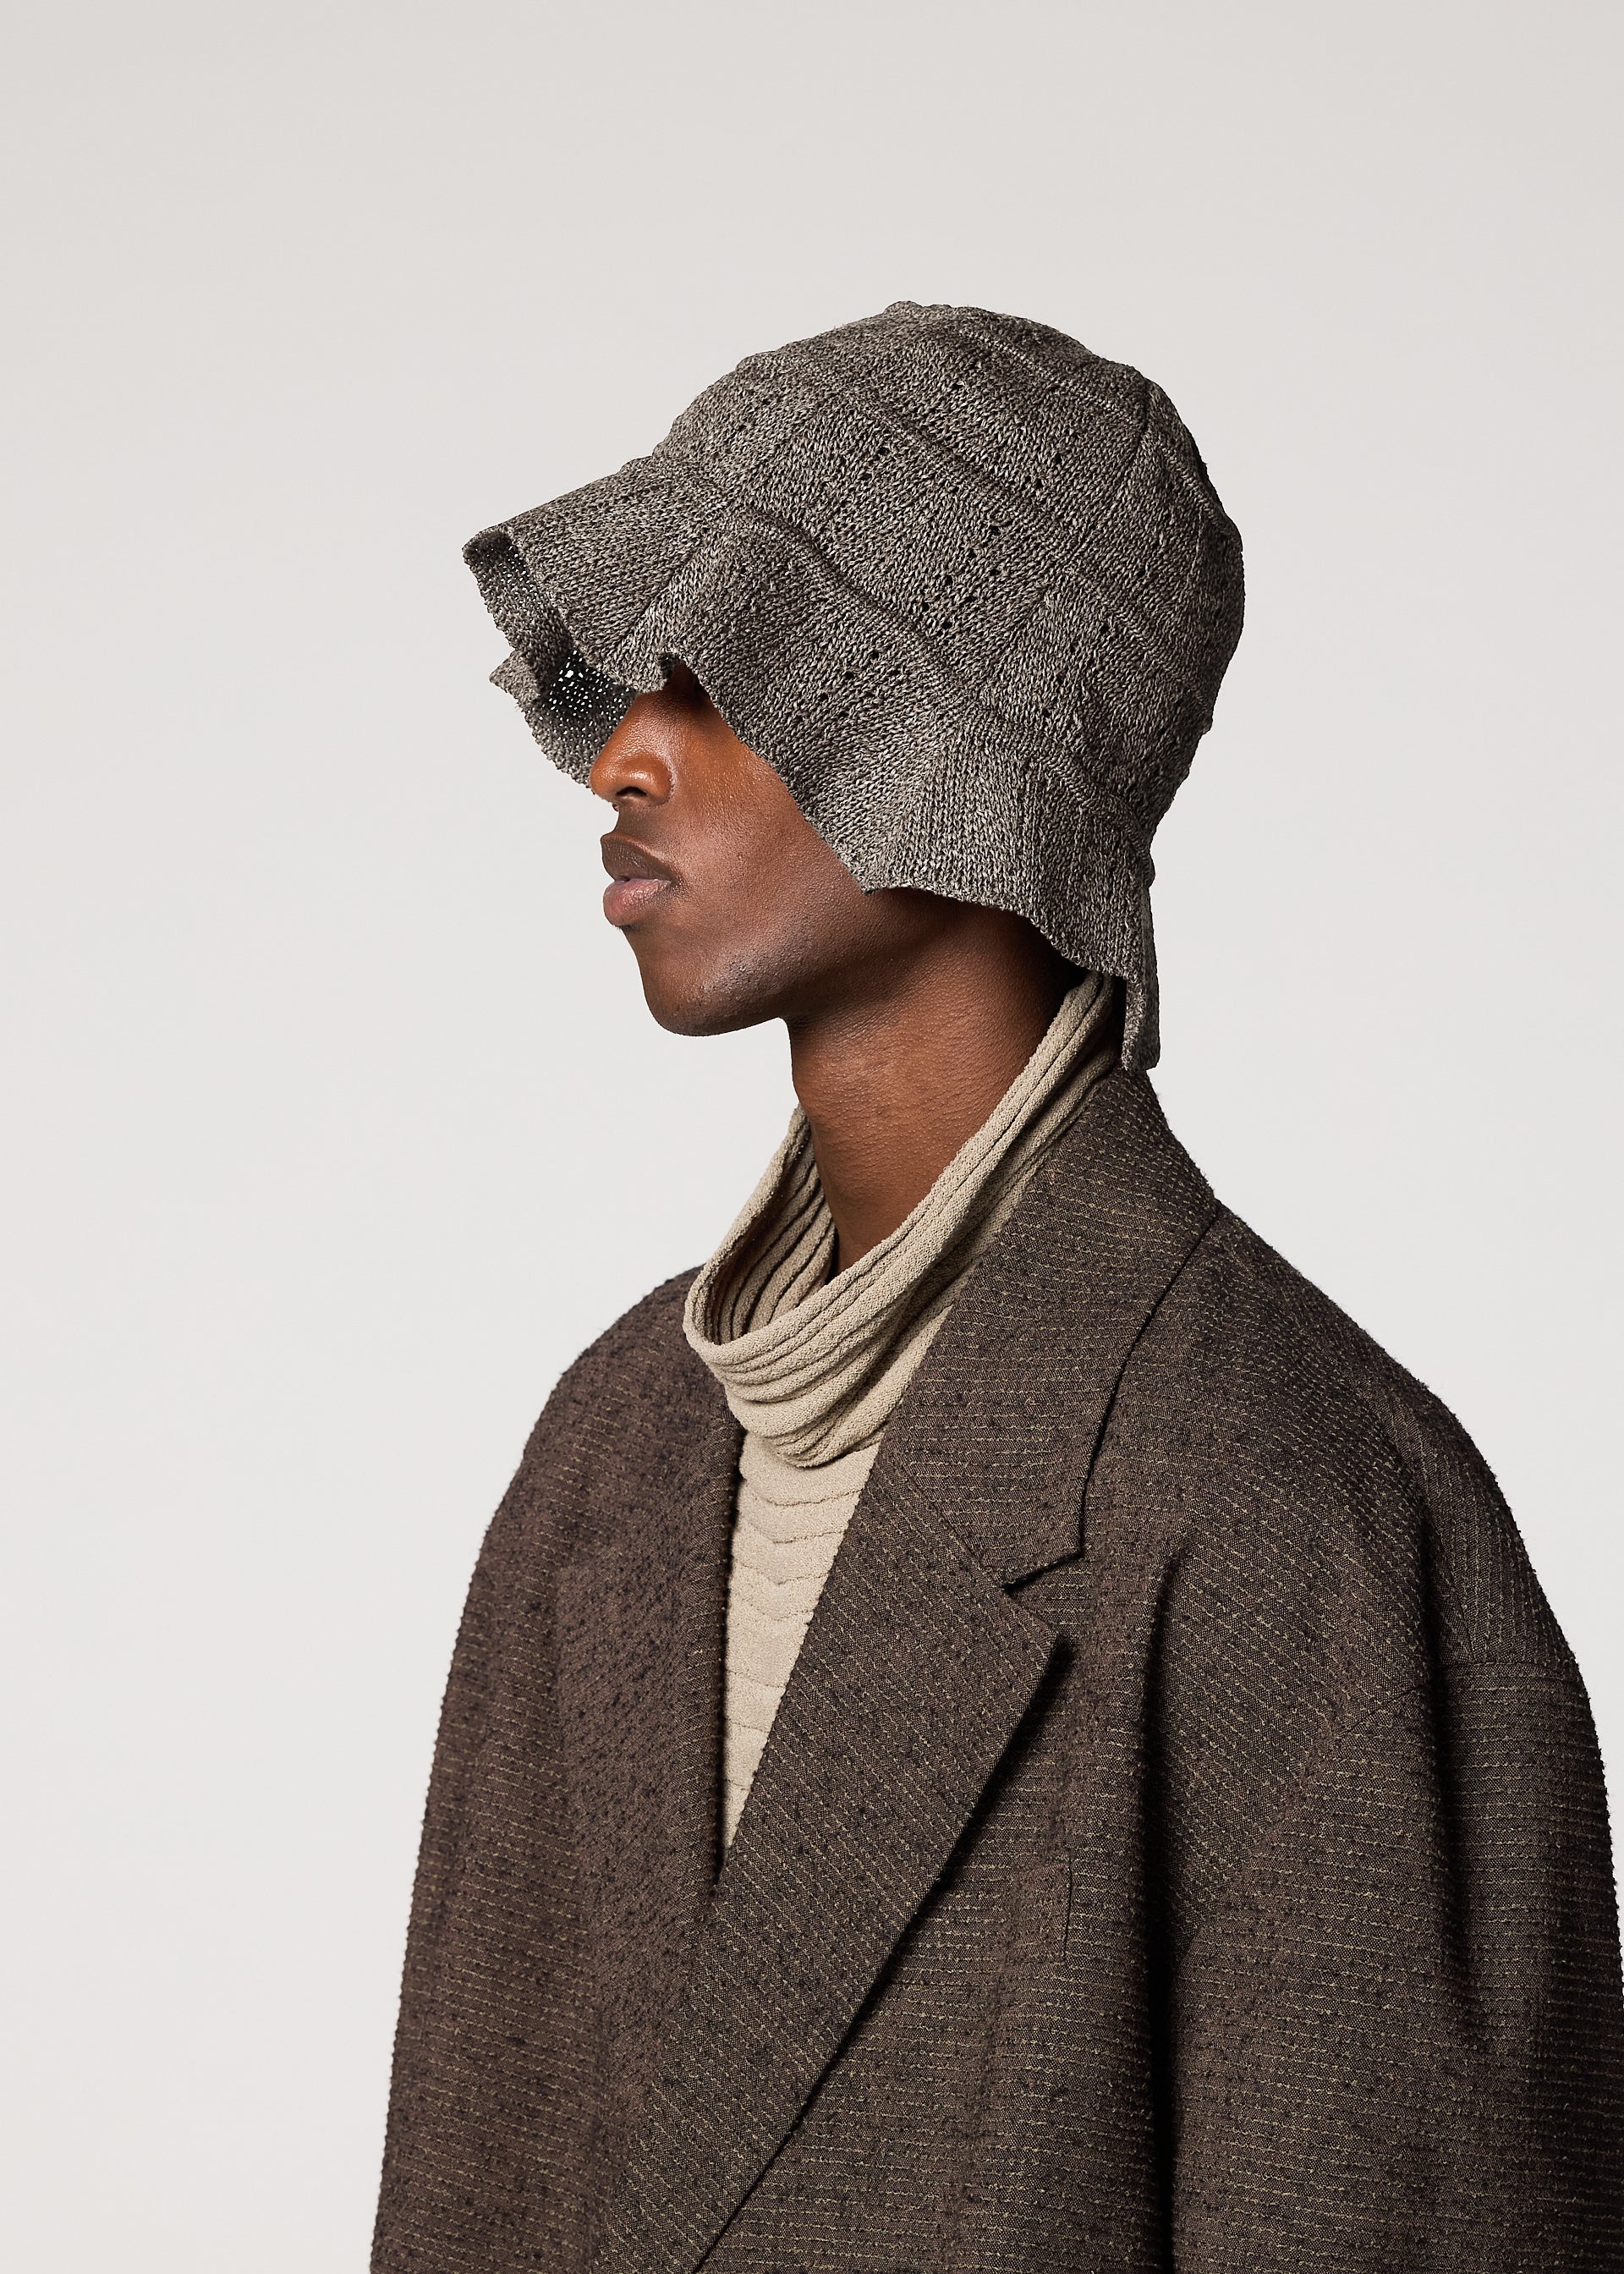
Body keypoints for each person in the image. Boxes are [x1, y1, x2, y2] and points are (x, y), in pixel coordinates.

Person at [372, 303, 1622, 2272]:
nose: (619, 752)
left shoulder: (1304, 1510)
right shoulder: (610, 1454)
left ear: (958, 749)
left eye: (719, 671)